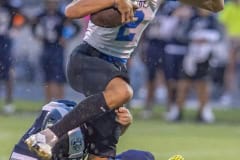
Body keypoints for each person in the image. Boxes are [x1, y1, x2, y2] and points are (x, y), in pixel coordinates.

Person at [25, 0, 224, 159]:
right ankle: (48, 135)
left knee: (103, 151)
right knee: (123, 92)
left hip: (116, 68)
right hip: (88, 58)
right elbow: (71, 11)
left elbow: (216, 5)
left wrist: (124, 126)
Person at [10, 100, 155, 160]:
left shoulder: (72, 116)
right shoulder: (25, 155)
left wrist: (120, 125)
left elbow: (101, 136)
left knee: (140, 157)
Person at [31, 0, 80, 103]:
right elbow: (33, 24)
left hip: (58, 48)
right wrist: (37, 36)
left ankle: (60, 101)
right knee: (47, 76)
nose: (51, 5)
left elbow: (76, 27)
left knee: (58, 76)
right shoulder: (42, 15)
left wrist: (66, 38)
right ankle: (48, 102)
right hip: (46, 47)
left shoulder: (62, 16)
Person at [0, 0, 15, 114]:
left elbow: (22, 19)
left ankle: (8, 102)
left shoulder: (10, 7)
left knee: (8, 72)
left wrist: (14, 29)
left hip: (4, 41)